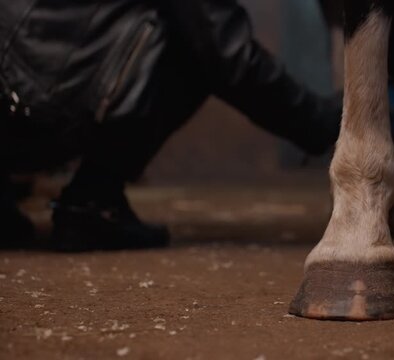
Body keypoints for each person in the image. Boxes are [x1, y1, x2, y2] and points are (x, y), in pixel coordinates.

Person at [0, 0, 342, 251]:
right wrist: (323, 120)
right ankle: (94, 201)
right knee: (201, 39)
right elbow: (230, 54)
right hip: (37, 108)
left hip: (13, 103)